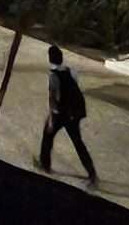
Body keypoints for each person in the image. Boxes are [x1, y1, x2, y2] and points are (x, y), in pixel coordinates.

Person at [38, 43, 97, 183]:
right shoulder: (72, 71)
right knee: (78, 142)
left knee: (48, 135)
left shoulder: (52, 76)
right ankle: (91, 171)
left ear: (50, 59)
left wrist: (52, 119)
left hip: (60, 113)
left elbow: (52, 98)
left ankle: (45, 165)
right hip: (74, 113)